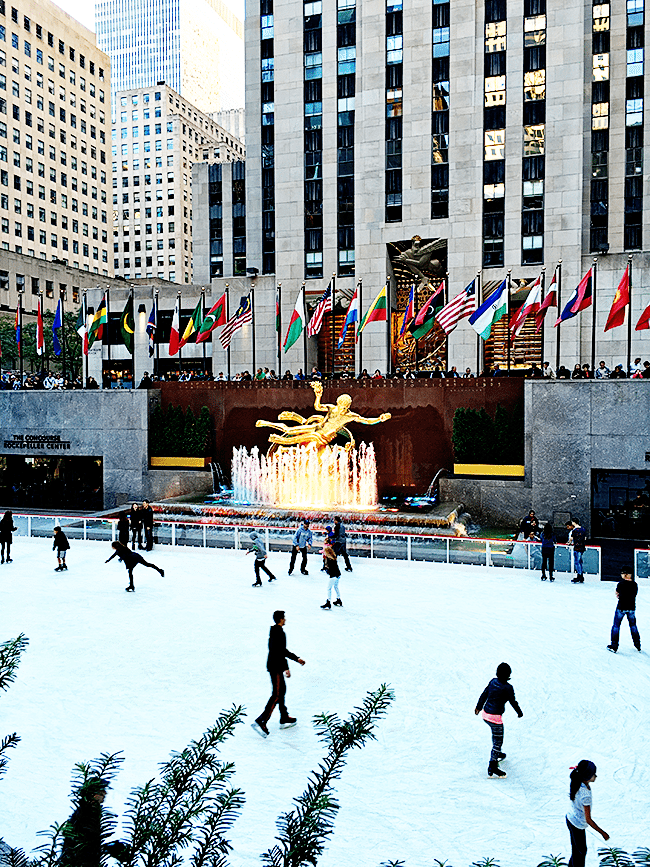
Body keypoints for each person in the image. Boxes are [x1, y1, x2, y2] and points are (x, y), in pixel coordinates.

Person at [252, 610, 306, 737]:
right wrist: (286, 667)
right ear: (281, 619)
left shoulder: (277, 631)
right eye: (284, 618)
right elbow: (279, 651)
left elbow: (281, 651)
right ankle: (262, 720)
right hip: (275, 666)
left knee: (282, 691)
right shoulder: (278, 632)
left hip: (275, 665)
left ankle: (284, 717)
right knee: (276, 694)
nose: (285, 619)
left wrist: (296, 659)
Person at [59, 775, 130, 867]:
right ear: (92, 794)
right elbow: (84, 845)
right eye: (101, 791)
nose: (105, 793)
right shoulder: (84, 815)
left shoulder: (89, 813)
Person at [474, 662, 523, 779]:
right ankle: (493, 766)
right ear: (508, 675)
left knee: (495, 736)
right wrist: (519, 712)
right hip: (495, 718)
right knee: (498, 741)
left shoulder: (492, 681)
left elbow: (484, 694)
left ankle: (497, 753)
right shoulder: (508, 688)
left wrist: (478, 707)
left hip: (485, 715)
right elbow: (513, 701)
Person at [566, 760, 609, 867]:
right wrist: (602, 832)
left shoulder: (577, 781)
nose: (596, 776)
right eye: (593, 774)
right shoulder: (585, 796)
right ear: (586, 777)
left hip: (570, 818)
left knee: (577, 850)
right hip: (577, 824)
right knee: (580, 852)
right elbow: (588, 819)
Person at [608, 570, 641, 652]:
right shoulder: (635, 585)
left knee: (616, 626)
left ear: (625, 575)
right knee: (633, 626)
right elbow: (634, 595)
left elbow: (617, 594)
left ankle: (614, 645)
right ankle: (637, 644)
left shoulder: (620, 584)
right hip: (631, 608)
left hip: (621, 607)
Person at [320, 542, 342, 609]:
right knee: (336, 587)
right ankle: (338, 599)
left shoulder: (329, 559)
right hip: (338, 575)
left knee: (329, 588)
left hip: (333, 576)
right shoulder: (334, 557)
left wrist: (326, 569)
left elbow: (329, 570)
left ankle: (328, 602)